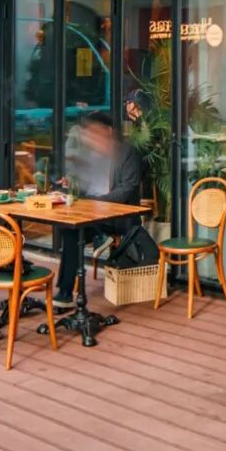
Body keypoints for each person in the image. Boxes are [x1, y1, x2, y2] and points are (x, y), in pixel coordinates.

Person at [54, 111, 142, 309]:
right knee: (69, 231)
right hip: (90, 215)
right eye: (89, 133)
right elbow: (83, 186)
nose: (91, 138)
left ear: (109, 131)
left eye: (95, 132)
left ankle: (103, 237)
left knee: (76, 231)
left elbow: (127, 189)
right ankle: (65, 292)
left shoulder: (127, 154)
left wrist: (97, 203)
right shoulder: (89, 156)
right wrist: (71, 183)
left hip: (117, 216)